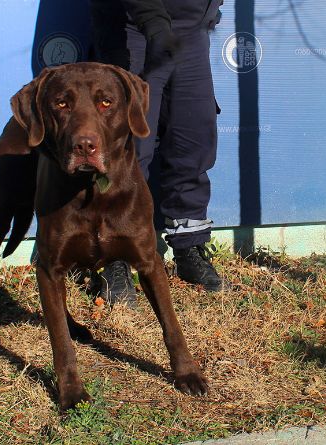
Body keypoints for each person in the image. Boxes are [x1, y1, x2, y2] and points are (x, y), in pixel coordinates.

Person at [90, 0, 227, 303]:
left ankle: (188, 245)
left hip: (190, 30)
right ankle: (114, 257)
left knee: (191, 139)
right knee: (126, 148)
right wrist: (154, 25)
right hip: (132, 28)